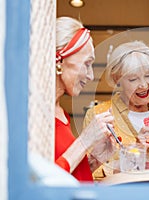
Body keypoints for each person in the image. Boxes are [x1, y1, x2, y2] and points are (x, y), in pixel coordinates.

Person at [83, 41, 149, 178]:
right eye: (133, 79)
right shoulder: (99, 115)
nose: (144, 85)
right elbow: (86, 174)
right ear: (117, 80)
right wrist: (135, 151)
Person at [55, 17, 116, 182]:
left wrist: (95, 160)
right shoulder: (34, 114)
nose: (90, 76)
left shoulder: (61, 113)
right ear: (60, 60)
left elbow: (68, 176)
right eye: (86, 63)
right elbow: (43, 183)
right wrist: (85, 140)